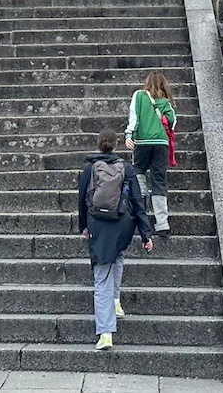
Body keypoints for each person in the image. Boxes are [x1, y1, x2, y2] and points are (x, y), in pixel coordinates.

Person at [77, 128, 153, 351]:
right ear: (116, 144)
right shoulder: (126, 168)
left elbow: (82, 200)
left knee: (102, 276)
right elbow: (138, 201)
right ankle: (116, 301)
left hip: (98, 223)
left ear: (99, 143)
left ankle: (105, 333)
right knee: (117, 256)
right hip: (122, 224)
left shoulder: (90, 167)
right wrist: (146, 233)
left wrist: (84, 226)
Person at [125, 71, 177, 236]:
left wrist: (129, 135)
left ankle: (141, 201)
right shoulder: (165, 102)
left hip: (142, 142)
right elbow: (172, 122)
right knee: (159, 180)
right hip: (161, 143)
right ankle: (162, 224)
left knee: (138, 170)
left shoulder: (139, 96)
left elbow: (134, 117)